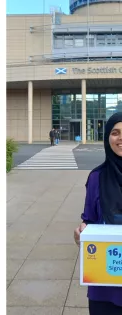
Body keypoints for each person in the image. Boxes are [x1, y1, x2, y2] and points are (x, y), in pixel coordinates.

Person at [74, 112, 122, 314]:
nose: (120, 138)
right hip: (105, 283)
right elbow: (89, 220)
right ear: (107, 138)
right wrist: (80, 234)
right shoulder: (96, 178)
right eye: (115, 132)